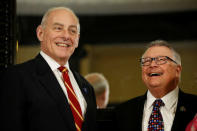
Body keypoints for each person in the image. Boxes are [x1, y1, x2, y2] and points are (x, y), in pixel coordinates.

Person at [0, 7, 97, 131]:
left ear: (77, 40)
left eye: (72, 31)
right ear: (40, 33)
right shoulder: (16, 77)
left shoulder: (87, 87)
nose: (66, 36)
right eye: (58, 28)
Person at [115, 40, 197, 131]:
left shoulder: (194, 107)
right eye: (146, 61)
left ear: (177, 70)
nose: (152, 64)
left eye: (161, 60)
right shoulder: (123, 112)